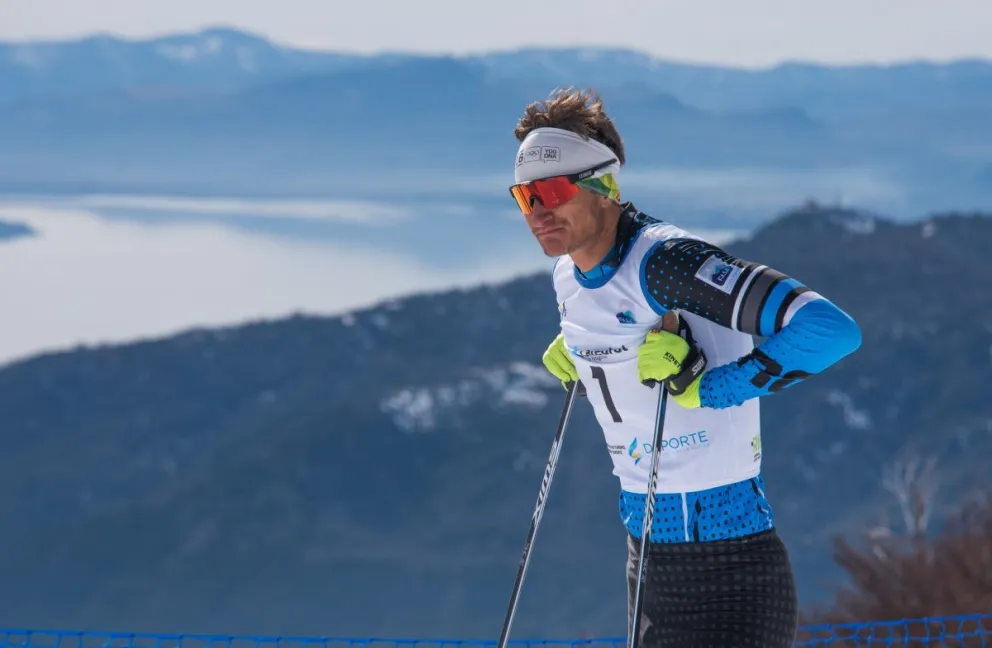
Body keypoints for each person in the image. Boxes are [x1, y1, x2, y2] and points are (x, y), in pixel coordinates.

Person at [507, 88, 862, 648]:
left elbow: (830, 331)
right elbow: (616, 322)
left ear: (604, 186)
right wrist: (580, 348)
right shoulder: (567, 275)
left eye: (552, 191)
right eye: (525, 197)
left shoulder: (666, 261)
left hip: (732, 570)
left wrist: (714, 388)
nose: (539, 212)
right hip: (646, 562)